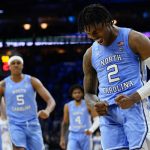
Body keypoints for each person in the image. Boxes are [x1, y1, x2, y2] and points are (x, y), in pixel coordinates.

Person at [78, 3, 150, 150]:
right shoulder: (89, 54)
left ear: (108, 22)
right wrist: (95, 104)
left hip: (135, 109)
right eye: (89, 34)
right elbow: (89, 94)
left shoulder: (135, 39)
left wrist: (133, 98)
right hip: (108, 115)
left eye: (96, 32)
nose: (93, 37)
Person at [0, 55, 56, 150]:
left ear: (22, 65)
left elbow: (51, 100)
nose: (16, 65)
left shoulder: (32, 81)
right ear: (9, 67)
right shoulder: (3, 84)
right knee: (19, 148)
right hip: (14, 124)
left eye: (18, 63)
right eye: (13, 63)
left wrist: (47, 111)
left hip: (32, 123)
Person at [59, 84, 99, 150]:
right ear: (72, 95)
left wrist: (91, 130)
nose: (77, 94)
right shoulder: (67, 106)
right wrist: (62, 138)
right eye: (75, 93)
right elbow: (65, 123)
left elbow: (97, 119)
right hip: (73, 135)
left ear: (82, 93)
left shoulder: (88, 104)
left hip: (86, 134)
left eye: (79, 92)